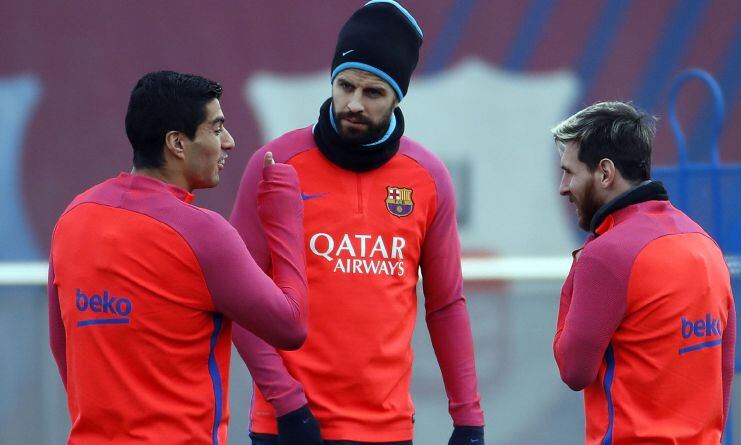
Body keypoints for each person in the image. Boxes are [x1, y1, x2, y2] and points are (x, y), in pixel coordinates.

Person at [230, 2, 484, 444]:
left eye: (373, 93)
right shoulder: (274, 164)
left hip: (385, 429)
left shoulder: (428, 177)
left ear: (397, 97)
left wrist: (468, 418)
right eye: (344, 85)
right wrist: (287, 405)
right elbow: (238, 298)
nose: (352, 103)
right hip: (287, 427)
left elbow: (446, 305)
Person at [48, 70, 309, 445]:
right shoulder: (202, 232)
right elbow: (291, 325)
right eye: (216, 129)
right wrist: (285, 216)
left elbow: (63, 348)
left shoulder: (73, 217)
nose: (230, 142)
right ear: (177, 144)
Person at [551, 101, 736, 444]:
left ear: (605, 173)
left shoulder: (606, 254)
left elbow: (574, 369)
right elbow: (722, 371)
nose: (563, 186)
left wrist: (581, 261)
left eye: (570, 172)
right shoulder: (703, 243)